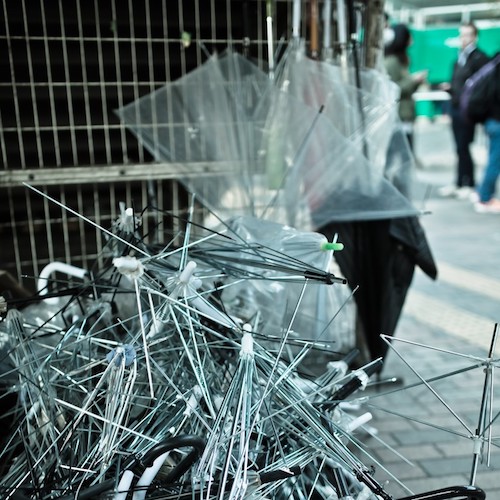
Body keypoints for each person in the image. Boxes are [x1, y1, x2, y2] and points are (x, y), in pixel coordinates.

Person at [438, 22, 489, 199]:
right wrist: (450, 88)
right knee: (459, 147)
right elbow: (459, 84)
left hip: (468, 110)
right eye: (461, 35)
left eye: (467, 35)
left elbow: (480, 87)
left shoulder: (480, 58)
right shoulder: (459, 57)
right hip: (455, 107)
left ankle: (469, 183)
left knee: (464, 145)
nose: (464, 39)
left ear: (474, 36)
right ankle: (459, 181)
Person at [384, 23, 427, 153]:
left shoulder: (401, 60)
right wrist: (412, 80)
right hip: (398, 118)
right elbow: (393, 89)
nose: (411, 42)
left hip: (405, 116)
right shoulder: (391, 62)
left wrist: (415, 81)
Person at [473, 55, 500, 213]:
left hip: (490, 121)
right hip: (497, 122)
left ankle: (483, 193)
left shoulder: (493, 66)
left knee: (492, 159)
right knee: (494, 162)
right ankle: (485, 197)